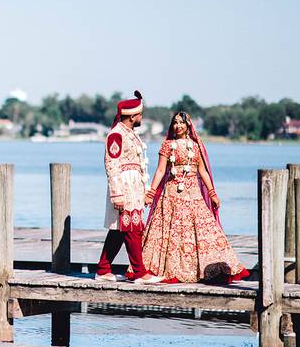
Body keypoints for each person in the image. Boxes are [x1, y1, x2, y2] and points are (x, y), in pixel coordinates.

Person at [141, 111, 249, 284]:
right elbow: (161, 170)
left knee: (205, 230)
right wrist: (151, 193)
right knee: (173, 233)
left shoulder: (195, 146)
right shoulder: (167, 145)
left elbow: (202, 171)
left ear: (188, 125)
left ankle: (212, 268)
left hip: (193, 195)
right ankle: (170, 269)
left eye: (181, 123)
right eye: (175, 123)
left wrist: (213, 193)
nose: (178, 126)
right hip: (171, 195)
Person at [96, 91, 162, 283]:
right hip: (124, 185)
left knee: (120, 229)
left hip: (134, 185)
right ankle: (140, 273)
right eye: (140, 114)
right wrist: (117, 194)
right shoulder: (116, 135)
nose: (141, 117)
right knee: (132, 228)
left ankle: (102, 269)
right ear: (133, 116)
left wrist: (145, 190)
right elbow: (112, 164)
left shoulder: (130, 134)